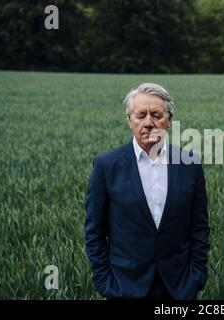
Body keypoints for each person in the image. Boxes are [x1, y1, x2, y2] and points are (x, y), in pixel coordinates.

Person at [84, 83, 210, 300]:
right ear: (130, 120)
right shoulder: (106, 166)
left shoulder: (190, 164)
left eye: (156, 115)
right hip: (124, 287)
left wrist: (196, 277)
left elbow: (199, 227)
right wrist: (105, 282)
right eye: (141, 115)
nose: (148, 123)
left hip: (178, 288)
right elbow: (94, 232)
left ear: (169, 121)